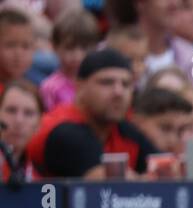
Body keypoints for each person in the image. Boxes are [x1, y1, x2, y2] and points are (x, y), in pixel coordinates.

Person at [27, 49, 158, 179]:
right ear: (80, 87)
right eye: (106, 82)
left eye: (126, 84)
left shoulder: (124, 130)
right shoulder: (62, 129)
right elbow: (107, 181)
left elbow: (166, 170)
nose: (118, 92)